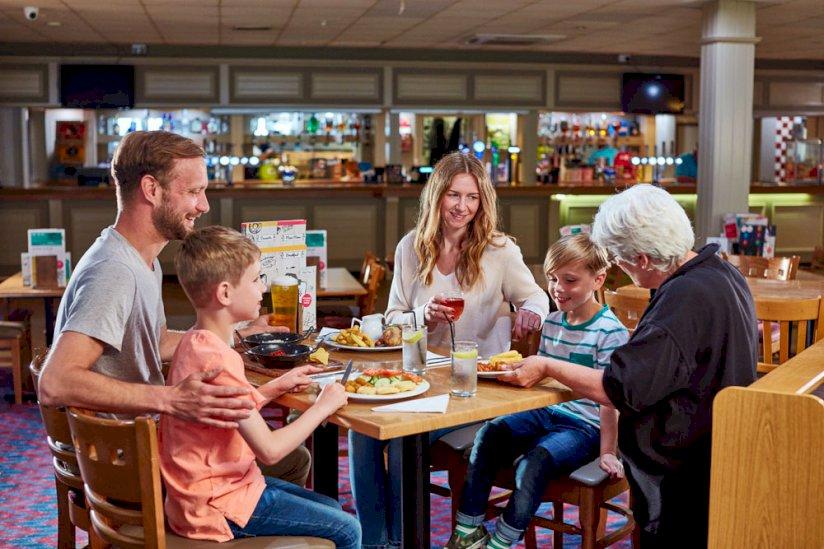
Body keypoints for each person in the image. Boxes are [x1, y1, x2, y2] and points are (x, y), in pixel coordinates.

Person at [37, 131, 311, 485]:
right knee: (289, 460)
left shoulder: (139, 259)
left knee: (287, 456)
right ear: (151, 189)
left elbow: (153, 341)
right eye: (194, 192)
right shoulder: (114, 272)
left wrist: (238, 335)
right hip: (127, 463)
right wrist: (171, 399)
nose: (204, 206)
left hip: (133, 447)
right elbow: (55, 381)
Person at [502, 184, 757, 548]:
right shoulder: (719, 271)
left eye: (619, 259)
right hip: (720, 449)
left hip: (684, 478)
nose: (619, 267)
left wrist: (547, 366)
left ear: (642, 259)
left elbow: (619, 387)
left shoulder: (685, 297)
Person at [351, 151, 550, 549]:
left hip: (478, 389)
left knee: (401, 439)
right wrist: (422, 316)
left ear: (482, 201)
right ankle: (377, 542)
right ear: (437, 195)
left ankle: (399, 542)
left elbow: (537, 297)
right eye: (454, 195)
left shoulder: (499, 251)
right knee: (361, 433)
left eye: (472, 197)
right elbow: (392, 319)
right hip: (420, 380)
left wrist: (531, 312)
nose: (462, 206)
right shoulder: (411, 247)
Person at [160, 226, 360, 547]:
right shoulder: (219, 360)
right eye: (256, 280)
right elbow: (270, 449)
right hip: (216, 505)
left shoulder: (195, 343)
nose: (263, 288)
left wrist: (274, 387)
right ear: (225, 293)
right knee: (348, 529)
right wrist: (324, 405)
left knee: (331, 508)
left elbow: (229, 409)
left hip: (205, 493)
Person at [445, 234, 628, 549]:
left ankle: (502, 540)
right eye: (553, 278)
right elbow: (542, 381)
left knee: (533, 463)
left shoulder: (610, 332)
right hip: (544, 413)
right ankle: (467, 530)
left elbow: (611, 400)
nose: (557, 288)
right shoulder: (553, 322)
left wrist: (609, 451)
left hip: (585, 426)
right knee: (489, 434)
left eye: (570, 280)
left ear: (598, 280)